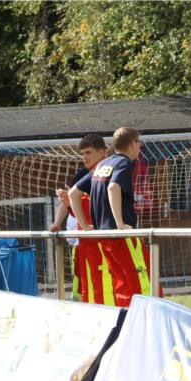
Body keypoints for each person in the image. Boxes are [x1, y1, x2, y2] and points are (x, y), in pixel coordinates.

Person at [69, 127, 153, 307]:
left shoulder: (102, 165)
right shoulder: (124, 163)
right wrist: (120, 224)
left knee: (120, 282)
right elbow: (113, 188)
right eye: (139, 142)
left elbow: (73, 193)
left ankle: (123, 319)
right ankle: (138, 321)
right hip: (120, 237)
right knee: (136, 281)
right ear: (132, 144)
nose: (139, 147)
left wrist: (84, 226)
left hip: (103, 238)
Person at [49, 134, 107, 303]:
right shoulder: (83, 174)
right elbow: (76, 207)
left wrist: (71, 203)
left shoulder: (109, 171)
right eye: (82, 153)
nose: (84, 157)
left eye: (88, 152)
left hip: (103, 238)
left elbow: (100, 208)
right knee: (82, 280)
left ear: (102, 152)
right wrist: (59, 218)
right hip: (85, 238)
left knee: (101, 283)